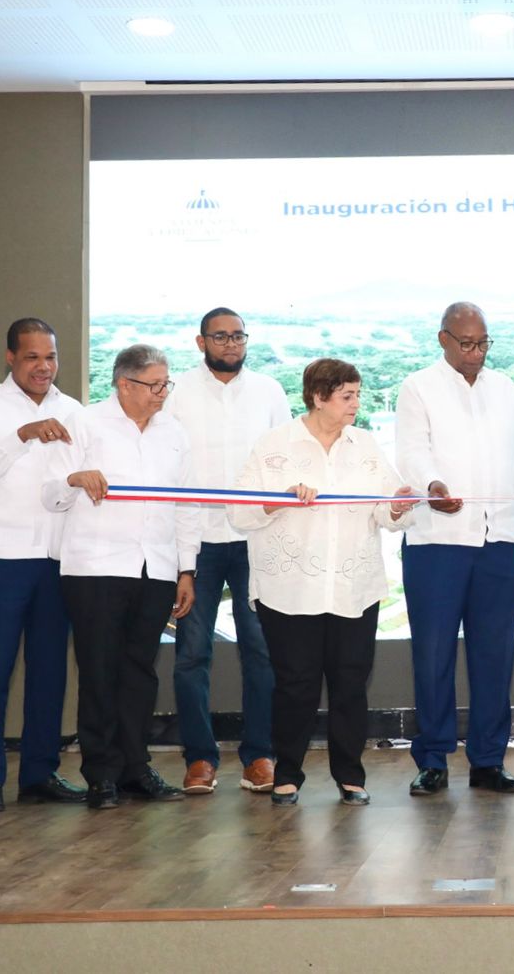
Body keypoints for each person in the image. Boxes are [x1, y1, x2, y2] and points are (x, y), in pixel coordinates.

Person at [230, 358, 416, 806]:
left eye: (357, 394)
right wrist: (279, 501)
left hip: (354, 589)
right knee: (295, 686)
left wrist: (397, 506)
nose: (356, 404)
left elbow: (387, 513)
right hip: (290, 591)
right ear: (318, 397)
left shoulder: (365, 445)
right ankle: (287, 775)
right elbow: (238, 513)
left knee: (350, 685)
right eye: (347, 396)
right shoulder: (274, 445)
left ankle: (350, 776)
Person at [44, 344, 198, 810]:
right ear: (124, 385)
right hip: (97, 567)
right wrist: (75, 479)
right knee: (99, 671)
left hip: (156, 566)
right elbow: (50, 493)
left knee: (140, 673)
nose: (163, 393)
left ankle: (135, 767)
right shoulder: (84, 422)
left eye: (166, 384)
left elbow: (186, 505)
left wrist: (186, 568)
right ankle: (101, 775)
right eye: (155, 385)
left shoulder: (174, 432)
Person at [396, 302, 514, 797]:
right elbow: (412, 452)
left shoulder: (506, 389)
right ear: (444, 339)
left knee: (495, 656)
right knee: (433, 655)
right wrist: (433, 485)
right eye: (467, 344)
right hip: (438, 542)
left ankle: (488, 761)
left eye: (483, 344)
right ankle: (433, 759)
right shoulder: (418, 387)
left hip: (499, 542)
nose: (476, 353)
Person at [0, 318, 85, 812]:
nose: (43, 366)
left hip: (57, 558)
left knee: (50, 672)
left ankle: (39, 774)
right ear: (10, 357)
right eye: (32, 357)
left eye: (50, 357)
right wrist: (22, 434)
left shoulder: (74, 411)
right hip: (0, 558)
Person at [163, 308, 290, 797]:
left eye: (238, 336)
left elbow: (285, 460)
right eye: (220, 336)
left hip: (257, 538)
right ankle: (199, 758)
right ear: (201, 343)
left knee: (262, 650)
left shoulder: (269, 391)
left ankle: (260, 755)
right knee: (192, 654)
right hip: (197, 541)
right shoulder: (176, 393)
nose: (231, 344)